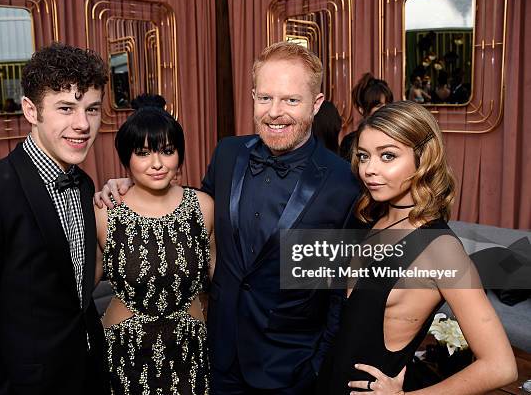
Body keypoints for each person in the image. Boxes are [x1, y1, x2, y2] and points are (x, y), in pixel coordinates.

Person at [95, 42, 359, 394]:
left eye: (291, 100)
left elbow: (339, 292)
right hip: (215, 359)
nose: (275, 112)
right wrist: (135, 183)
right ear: (252, 96)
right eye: (265, 98)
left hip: (289, 369)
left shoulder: (343, 181)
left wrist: (317, 368)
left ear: (316, 103)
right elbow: (188, 212)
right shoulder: (228, 153)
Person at [0, 43, 110, 395]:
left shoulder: (83, 183)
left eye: (92, 109)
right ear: (31, 110)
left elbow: (73, 293)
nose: (83, 124)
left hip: (86, 374)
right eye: (66, 108)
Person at [315, 100, 517, 394]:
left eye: (387, 156)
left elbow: (501, 365)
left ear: (424, 158)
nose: (369, 169)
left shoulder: (439, 248)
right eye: (363, 156)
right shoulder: (368, 220)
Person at [95, 94, 215, 394]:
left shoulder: (203, 206)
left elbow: (220, 279)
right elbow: (75, 288)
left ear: (180, 156)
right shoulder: (104, 212)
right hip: (124, 356)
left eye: (167, 151)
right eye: (143, 152)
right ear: (126, 159)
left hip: (190, 356)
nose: (157, 163)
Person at [339, 72, 393, 161]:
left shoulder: (397, 136)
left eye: (388, 104)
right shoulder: (350, 142)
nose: (385, 109)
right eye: (378, 105)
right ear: (362, 109)